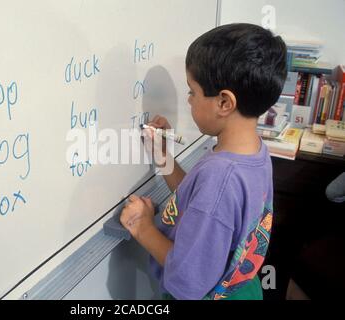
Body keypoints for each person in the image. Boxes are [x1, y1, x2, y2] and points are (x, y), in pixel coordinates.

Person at [120, 23, 288, 300]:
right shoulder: (253, 153)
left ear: (224, 103)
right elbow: (200, 201)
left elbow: (188, 280)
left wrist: (143, 227)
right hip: (244, 289)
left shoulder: (220, 176)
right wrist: (162, 155)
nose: (188, 100)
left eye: (192, 92)